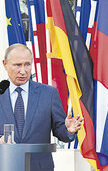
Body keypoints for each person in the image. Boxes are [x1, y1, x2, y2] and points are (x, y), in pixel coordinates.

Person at [0, 43, 84, 171]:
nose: (23, 71)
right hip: (5, 165)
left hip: (39, 167)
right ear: (5, 64)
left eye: (27, 65)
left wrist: (68, 129)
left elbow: (60, 131)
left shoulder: (49, 94)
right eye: (17, 65)